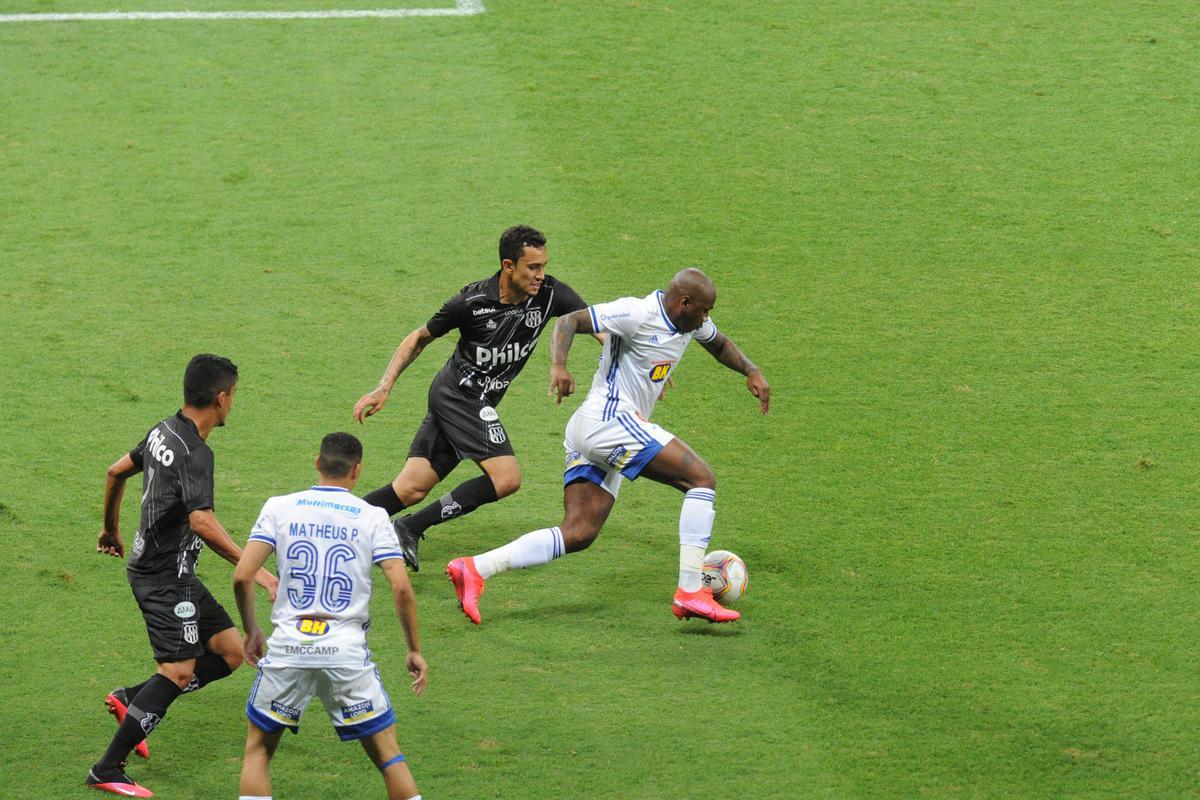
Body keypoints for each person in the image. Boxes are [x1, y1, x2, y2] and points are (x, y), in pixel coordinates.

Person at [445, 268, 770, 624]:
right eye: (704, 311)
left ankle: (475, 568)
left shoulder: (688, 322)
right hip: (609, 421)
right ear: (684, 303)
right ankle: (690, 590)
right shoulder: (637, 313)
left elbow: (719, 343)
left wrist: (751, 371)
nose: (706, 319)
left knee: (579, 532)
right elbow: (569, 321)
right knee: (702, 481)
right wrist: (559, 365)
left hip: (592, 427)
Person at [353, 225, 598, 572]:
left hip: (466, 399)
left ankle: (339, 527)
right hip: (459, 397)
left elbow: (598, 324)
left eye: (543, 266)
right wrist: (384, 386)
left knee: (410, 488)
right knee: (507, 478)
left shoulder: (549, 294)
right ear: (508, 266)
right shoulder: (470, 302)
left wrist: (639, 368)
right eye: (533, 267)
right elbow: (418, 338)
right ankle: (409, 527)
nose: (541, 275)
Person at [88, 354, 279, 798]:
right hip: (162, 577)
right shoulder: (196, 452)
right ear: (221, 396)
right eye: (233, 396)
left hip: (172, 571)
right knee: (177, 671)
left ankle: (131, 698)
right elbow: (203, 523)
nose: (233, 404)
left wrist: (110, 529)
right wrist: (258, 571)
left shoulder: (163, 430)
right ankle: (107, 768)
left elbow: (115, 471)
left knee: (231, 653)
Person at [233, 432, 428, 800]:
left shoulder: (279, 507)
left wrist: (252, 630)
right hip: (345, 652)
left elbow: (243, 575)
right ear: (357, 471)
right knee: (388, 754)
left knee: (258, 751)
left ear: (317, 463)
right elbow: (401, 587)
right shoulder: (373, 517)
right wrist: (413, 649)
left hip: (289, 647)